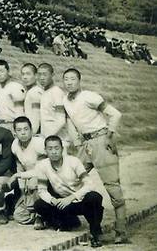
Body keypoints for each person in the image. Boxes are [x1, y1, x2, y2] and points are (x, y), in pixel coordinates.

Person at [62, 68, 128, 244]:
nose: (69, 82)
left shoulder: (89, 96)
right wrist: (77, 145)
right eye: (66, 79)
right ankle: (79, 221)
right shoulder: (65, 100)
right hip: (86, 145)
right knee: (71, 179)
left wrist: (110, 135)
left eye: (73, 79)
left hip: (101, 140)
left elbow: (115, 114)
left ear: (79, 80)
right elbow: (72, 124)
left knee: (112, 186)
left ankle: (121, 230)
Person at [33, 136, 104, 247]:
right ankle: (69, 221)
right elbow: (42, 190)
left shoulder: (73, 161)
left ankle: (95, 232)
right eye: (50, 149)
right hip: (63, 203)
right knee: (39, 205)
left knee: (95, 197)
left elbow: (90, 184)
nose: (53, 152)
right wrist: (53, 200)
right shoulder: (42, 165)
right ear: (45, 150)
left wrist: (71, 198)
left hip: (80, 200)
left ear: (62, 149)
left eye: (56, 148)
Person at [8, 116, 45, 226]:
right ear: (15, 133)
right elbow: (20, 165)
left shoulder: (39, 143)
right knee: (18, 215)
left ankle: (41, 216)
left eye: (26, 129)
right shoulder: (15, 145)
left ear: (31, 130)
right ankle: (44, 216)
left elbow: (46, 166)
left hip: (44, 178)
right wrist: (22, 189)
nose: (23, 133)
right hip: (26, 178)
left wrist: (24, 176)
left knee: (34, 183)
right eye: (19, 130)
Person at [37, 63, 70, 149]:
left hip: (59, 140)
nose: (41, 78)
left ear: (52, 75)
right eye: (39, 74)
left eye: (45, 74)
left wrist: (49, 136)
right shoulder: (44, 92)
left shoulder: (57, 92)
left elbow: (61, 120)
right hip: (48, 139)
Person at [0, 60, 26, 132]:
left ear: (8, 72)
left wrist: (19, 128)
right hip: (0, 124)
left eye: (1, 71)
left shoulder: (15, 87)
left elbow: (20, 111)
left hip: (12, 124)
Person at [21, 63, 43, 134]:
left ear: (36, 76)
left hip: (34, 131)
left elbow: (36, 117)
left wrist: (31, 134)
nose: (25, 77)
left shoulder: (35, 92)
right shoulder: (30, 91)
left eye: (28, 74)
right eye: (23, 74)